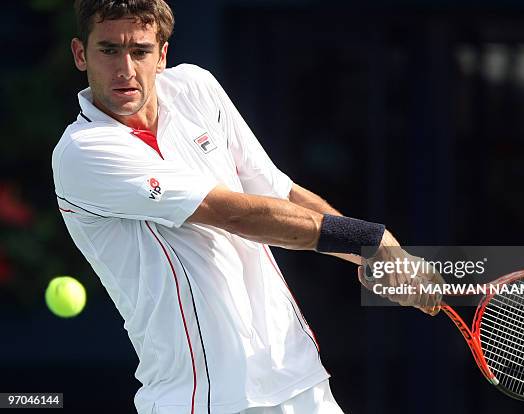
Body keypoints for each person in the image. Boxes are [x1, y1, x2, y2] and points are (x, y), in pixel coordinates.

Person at [52, 1, 441, 413]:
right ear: (81, 54)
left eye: (141, 51)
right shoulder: (83, 152)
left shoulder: (195, 88)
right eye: (109, 50)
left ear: (162, 55)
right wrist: (369, 240)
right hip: (204, 398)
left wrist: (377, 261)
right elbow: (235, 214)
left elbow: (280, 194)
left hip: (297, 377)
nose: (126, 70)